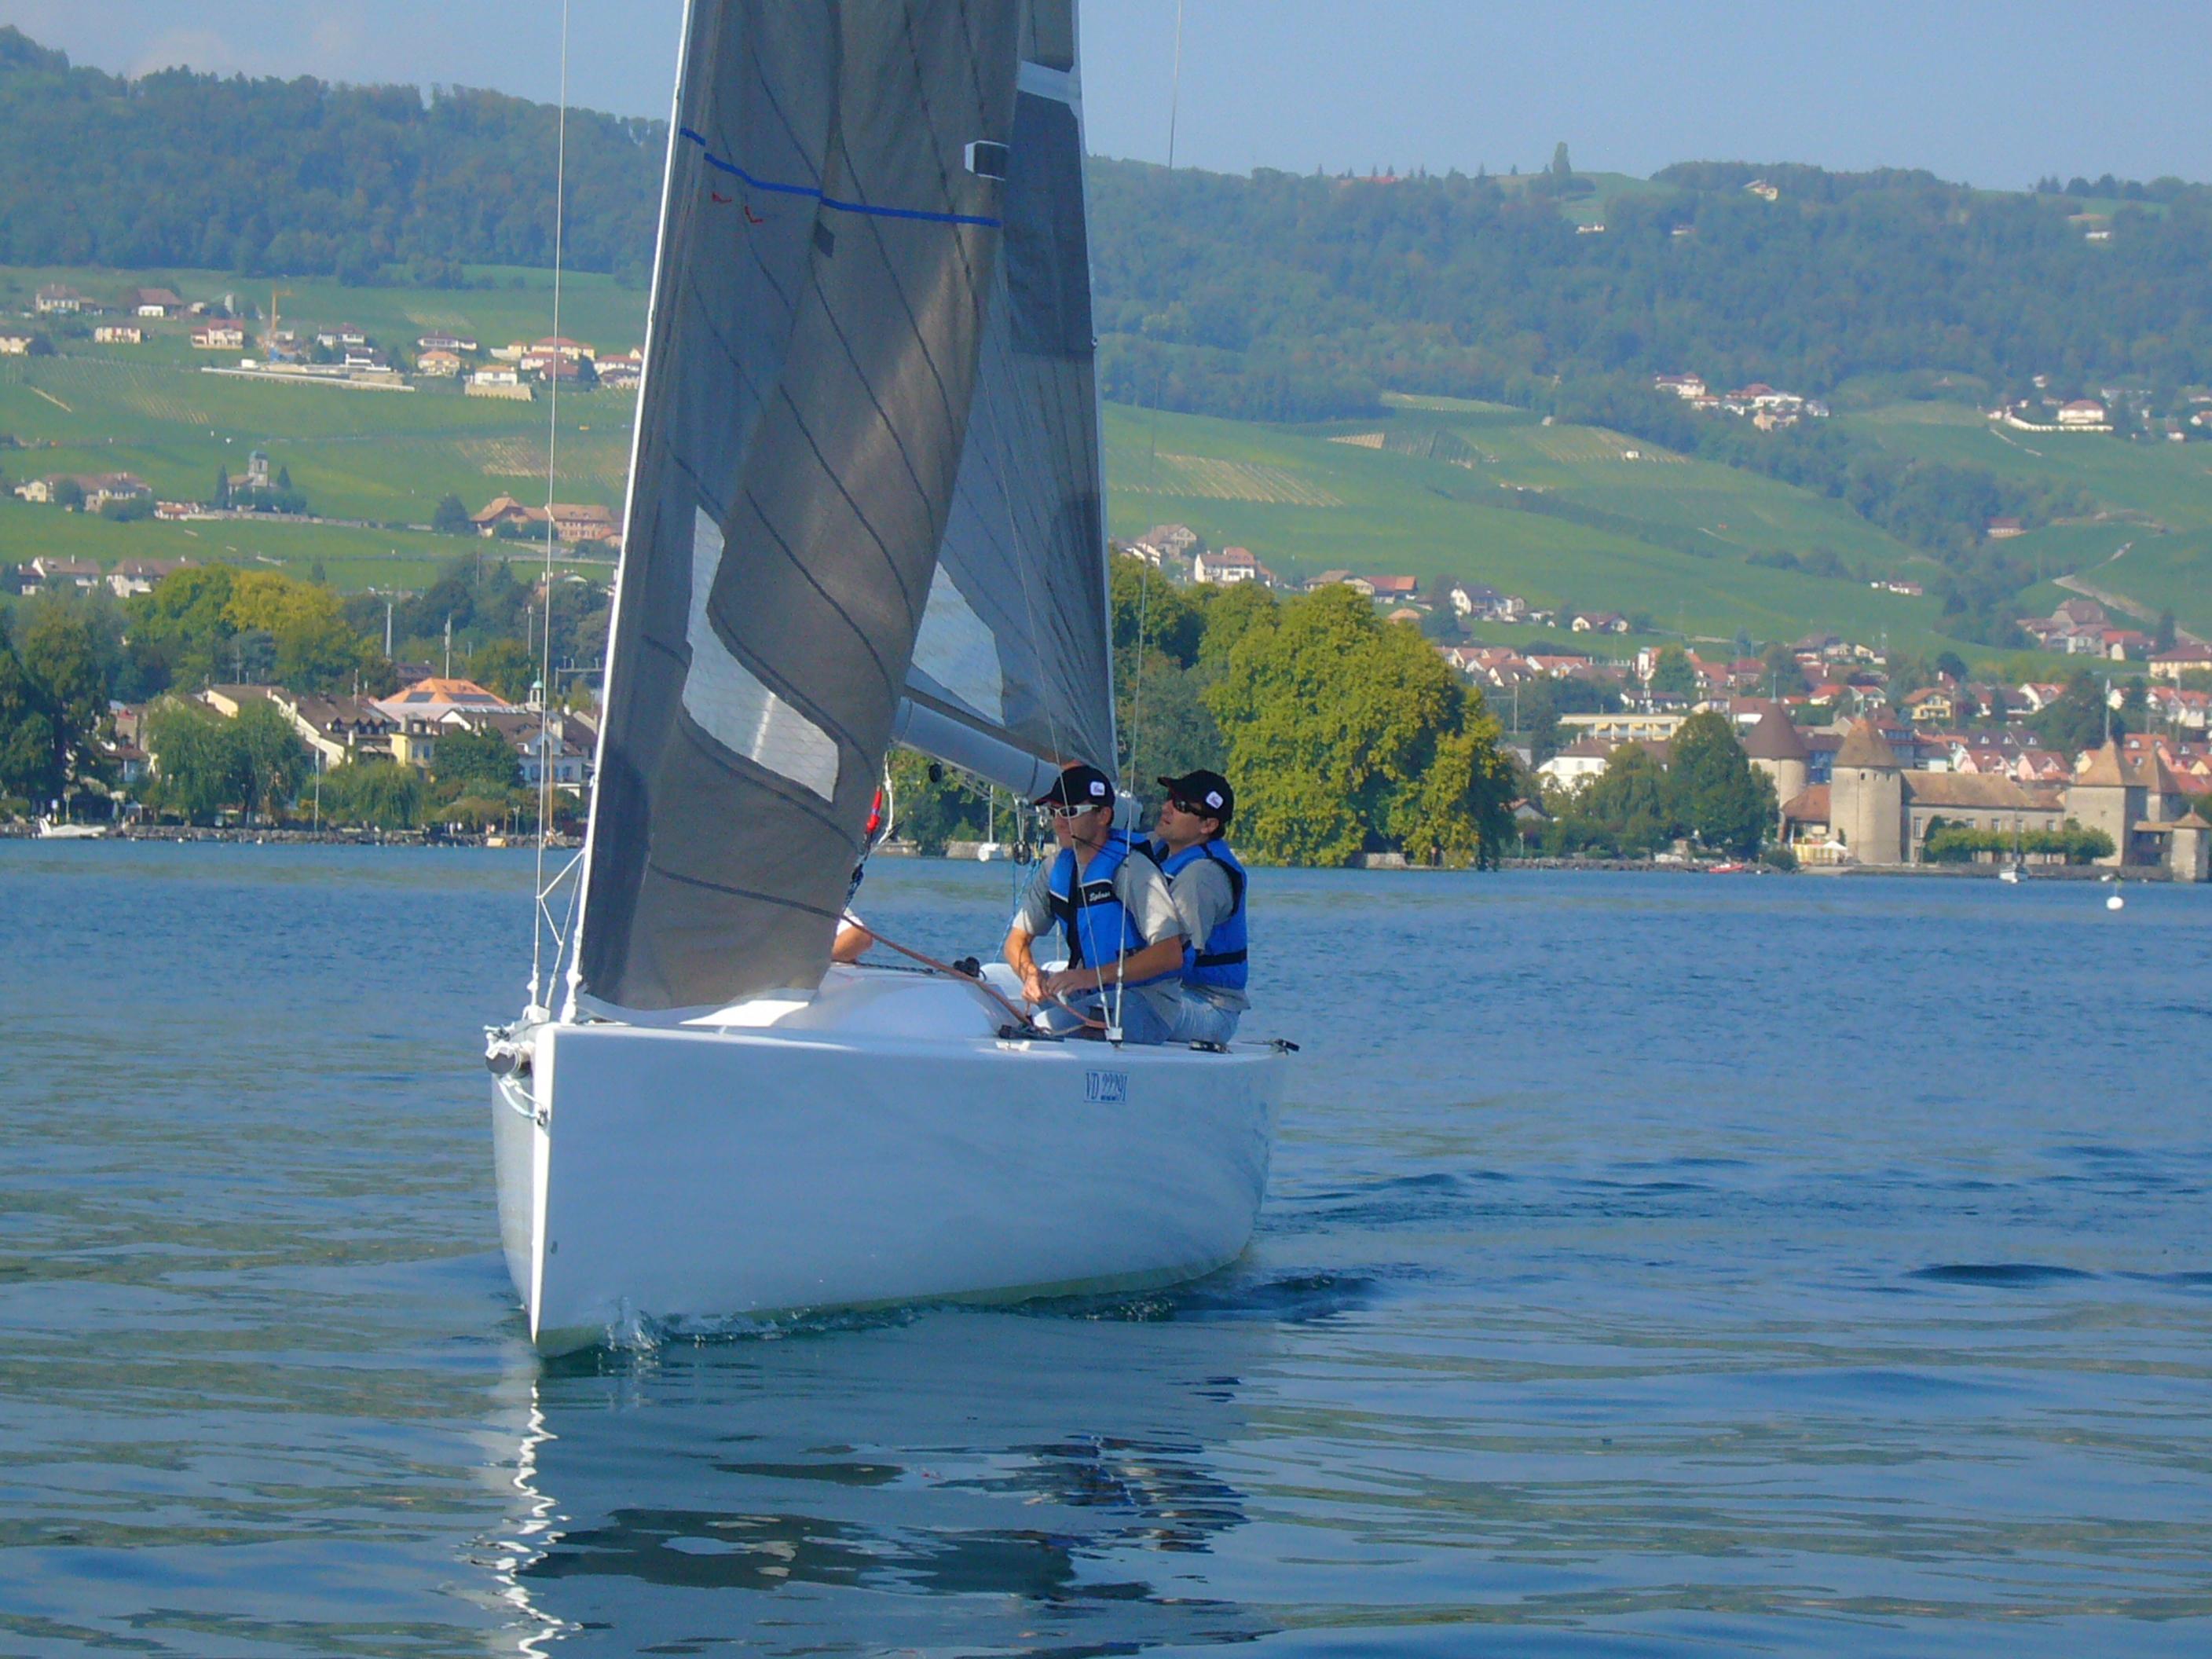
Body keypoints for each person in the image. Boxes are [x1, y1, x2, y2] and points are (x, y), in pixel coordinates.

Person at [1003, 763, 1185, 1043]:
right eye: (1053, 812)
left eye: (1070, 812)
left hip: (1145, 1002)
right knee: (1012, 1015)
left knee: (1048, 1027)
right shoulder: (1054, 868)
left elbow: (1170, 953)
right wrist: (1031, 975)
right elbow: (1016, 941)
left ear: (1104, 815)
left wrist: (1092, 977)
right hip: (1090, 992)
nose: (1058, 822)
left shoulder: (1131, 868)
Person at [1148, 769, 1249, 1045]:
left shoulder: (1201, 876)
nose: (1166, 807)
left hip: (1209, 1006)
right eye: (1169, 798)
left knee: (1114, 1005)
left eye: (1180, 805)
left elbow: (1175, 961)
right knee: (1062, 982)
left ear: (1208, 825)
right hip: (1171, 992)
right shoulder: (1159, 848)